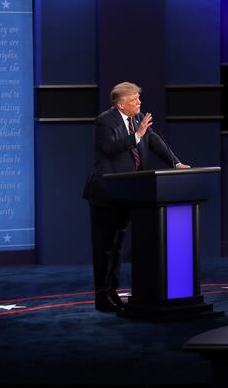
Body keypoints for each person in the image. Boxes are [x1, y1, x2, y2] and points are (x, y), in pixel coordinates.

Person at [82, 82, 189, 313]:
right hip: (105, 193)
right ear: (120, 103)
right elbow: (109, 148)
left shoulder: (138, 118)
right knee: (105, 248)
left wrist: (175, 162)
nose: (139, 103)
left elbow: (155, 142)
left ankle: (114, 293)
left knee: (118, 246)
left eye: (139, 99)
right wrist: (137, 135)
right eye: (134, 100)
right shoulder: (104, 121)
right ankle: (102, 297)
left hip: (128, 192)